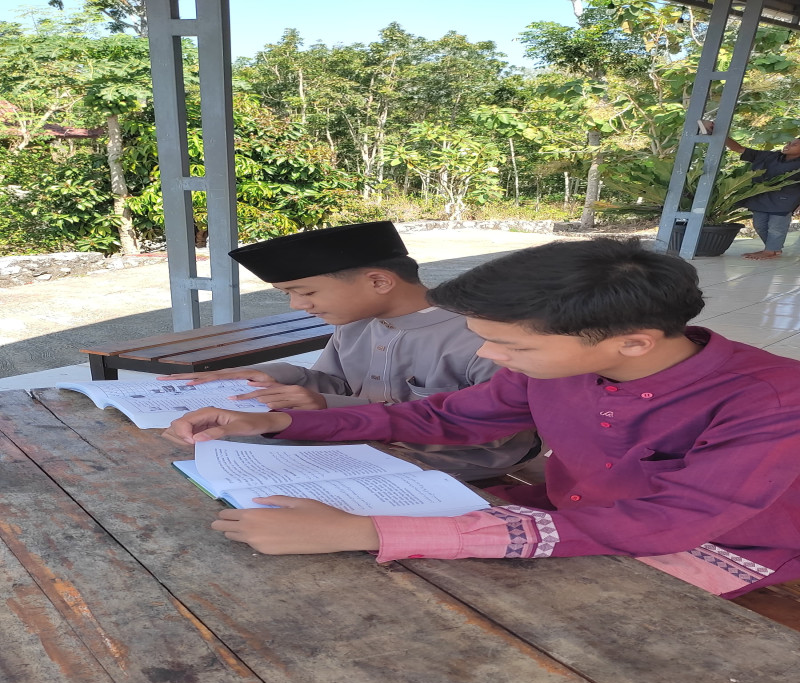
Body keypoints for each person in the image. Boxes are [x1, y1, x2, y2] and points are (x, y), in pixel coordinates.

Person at [163, 237, 800, 600]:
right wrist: (280, 426)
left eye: (513, 346)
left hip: (719, 548)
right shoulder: (557, 364)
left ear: (631, 341)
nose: (492, 358)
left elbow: (670, 523)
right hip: (575, 517)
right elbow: (447, 418)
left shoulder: (771, 402)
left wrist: (370, 531)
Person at [162, 221, 538, 480]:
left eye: (305, 292)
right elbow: (338, 383)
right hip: (356, 442)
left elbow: (495, 432)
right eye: (288, 294)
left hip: (460, 462)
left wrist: (327, 408)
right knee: (207, 451)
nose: (297, 305)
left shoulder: (483, 338)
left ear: (378, 281)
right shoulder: (357, 321)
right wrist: (274, 376)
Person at [703, 119, 800, 259]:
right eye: (789, 142)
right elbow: (739, 149)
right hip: (761, 197)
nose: (788, 145)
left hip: (785, 200)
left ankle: (770, 251)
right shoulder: (770, 156)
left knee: (776, 227)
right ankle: (773, 249)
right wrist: (717, 133)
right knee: (759, 224)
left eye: (795, 144)